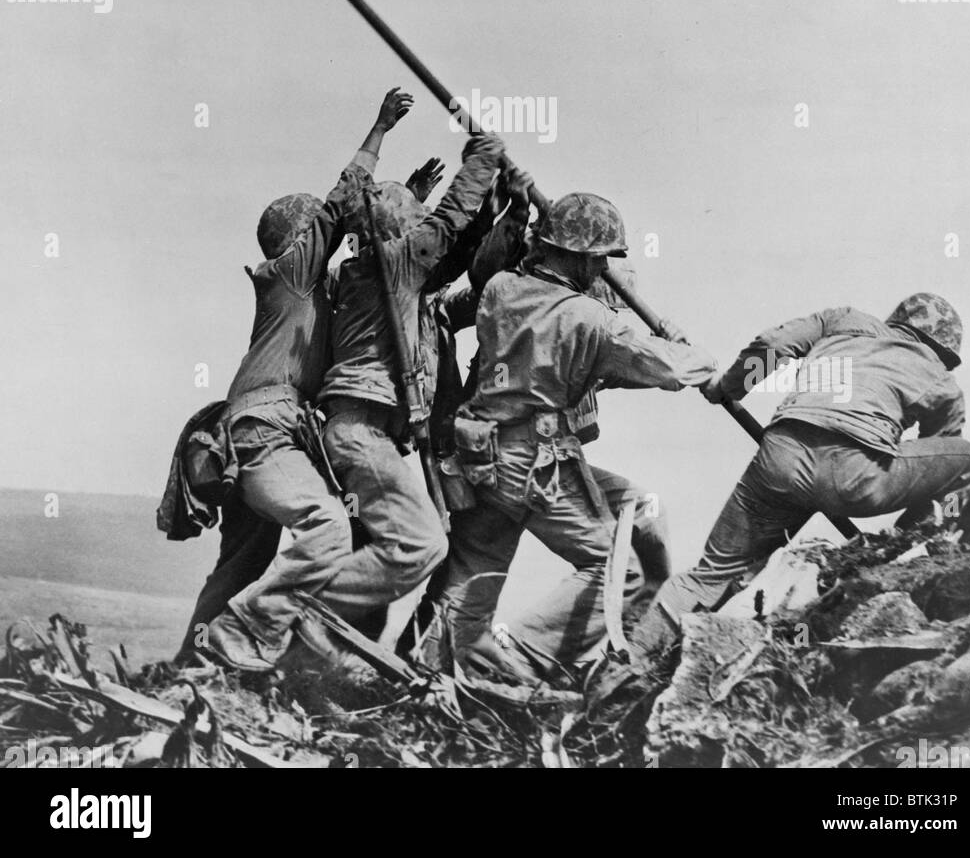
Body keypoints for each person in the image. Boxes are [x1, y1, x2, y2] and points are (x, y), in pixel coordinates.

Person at [416, 192, 717, 684]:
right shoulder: (589, 318)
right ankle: (524, 658)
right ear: (575, 255)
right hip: (535, 463)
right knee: (618, 572)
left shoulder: (501, 289)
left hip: (481, 455)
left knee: (474, 575)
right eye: (598, 257)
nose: (603, 268)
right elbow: (665, 367)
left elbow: (557, 350)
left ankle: (433, 674)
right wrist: (693, 352)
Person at [182, 88, 413, 670]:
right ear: (299, 239)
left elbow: (371, 247)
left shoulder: (309, 292)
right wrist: (379, 130)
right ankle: (247, 637)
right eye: (317, 234)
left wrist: (408, 204)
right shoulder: (288, 275)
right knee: (326, 524)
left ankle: (192, 665)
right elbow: (340, 207)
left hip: (253, 435)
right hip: (264, 432)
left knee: (242, 564)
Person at [652, 292, 970, 630]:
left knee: (709, 574)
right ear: (943, 349)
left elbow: (774, 345)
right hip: (855, 478)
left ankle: (629, 659)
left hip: (780, 460)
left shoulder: (843, 320)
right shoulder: (942, 381)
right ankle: (908, 544)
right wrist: (910, 529)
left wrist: (731, 387)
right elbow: (939, 457)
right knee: (967, 459)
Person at [297, 131, 507, 650]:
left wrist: (503, 218)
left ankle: (314, 656)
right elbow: (447, 224)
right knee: (421, 544)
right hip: (361, 432)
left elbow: (462, 276)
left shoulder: (390, 281)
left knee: (389, 558)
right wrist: (482, 162)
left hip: (375, 437)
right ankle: (298, 609)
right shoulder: (392, 270)